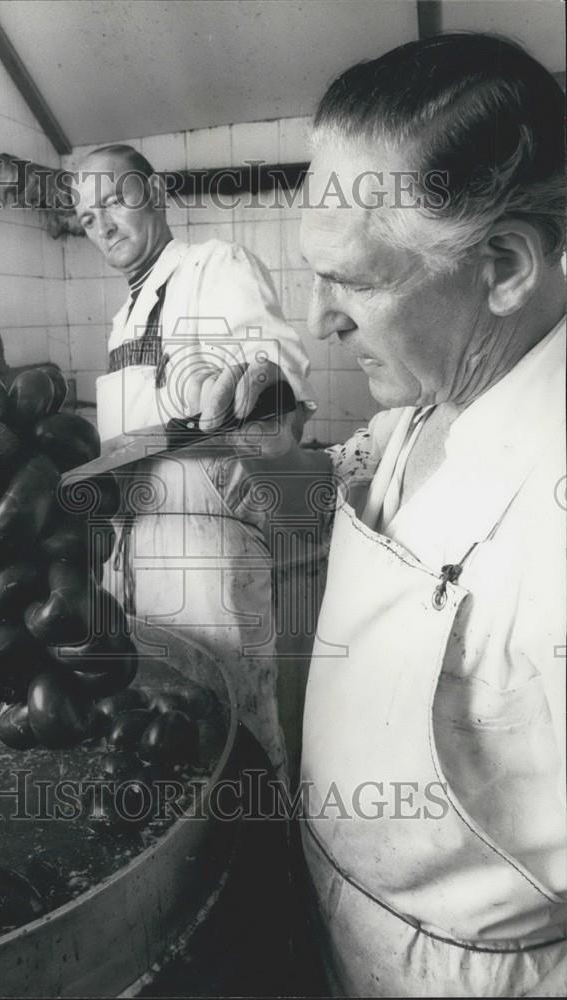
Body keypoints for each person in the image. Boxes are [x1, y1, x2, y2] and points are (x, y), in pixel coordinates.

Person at [297, 32, 566, 997]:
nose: (318, 320)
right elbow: (376, 474)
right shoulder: (429, 401)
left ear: (504, 264)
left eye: (356, 281)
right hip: (347, 929)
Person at [72, 146, 321, 775]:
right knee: (168, 746)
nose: (101, 225)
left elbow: (275, 369)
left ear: (155, 193)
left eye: (113, 200)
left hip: (210, 559)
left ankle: (269, 837)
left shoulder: (215, 265)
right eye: (87, 217)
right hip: (133, 564)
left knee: (239, 740)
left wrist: (264, 385)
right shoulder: (123, 319)